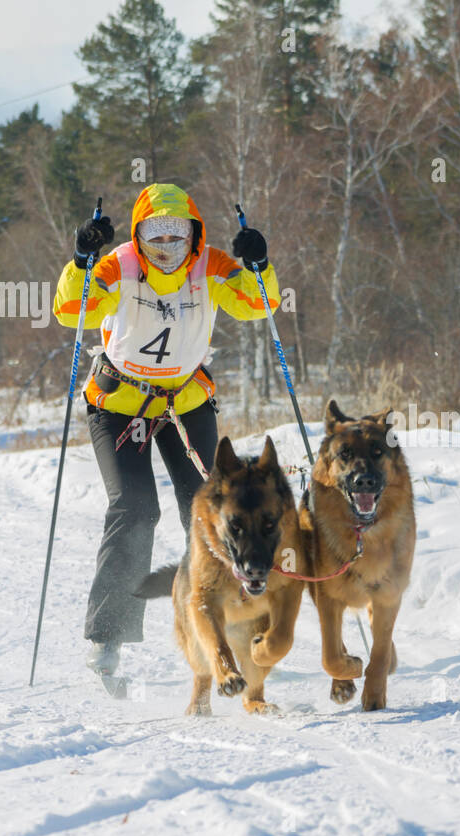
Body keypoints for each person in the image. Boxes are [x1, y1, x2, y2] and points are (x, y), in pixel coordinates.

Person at [53, 183, 278, 680]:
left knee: (208, 511)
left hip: (186, 401)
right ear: (139, 235)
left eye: (178, 235)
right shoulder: (118, 265)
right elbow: (73, 312)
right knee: (135, 508)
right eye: (156, 235)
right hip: (120, 403)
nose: (167, 246)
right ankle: (108, 636)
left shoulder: (212, 264)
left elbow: (258, 306)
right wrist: (80, 262)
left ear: (194, 233)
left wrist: (260, 265)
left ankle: (240, 628)